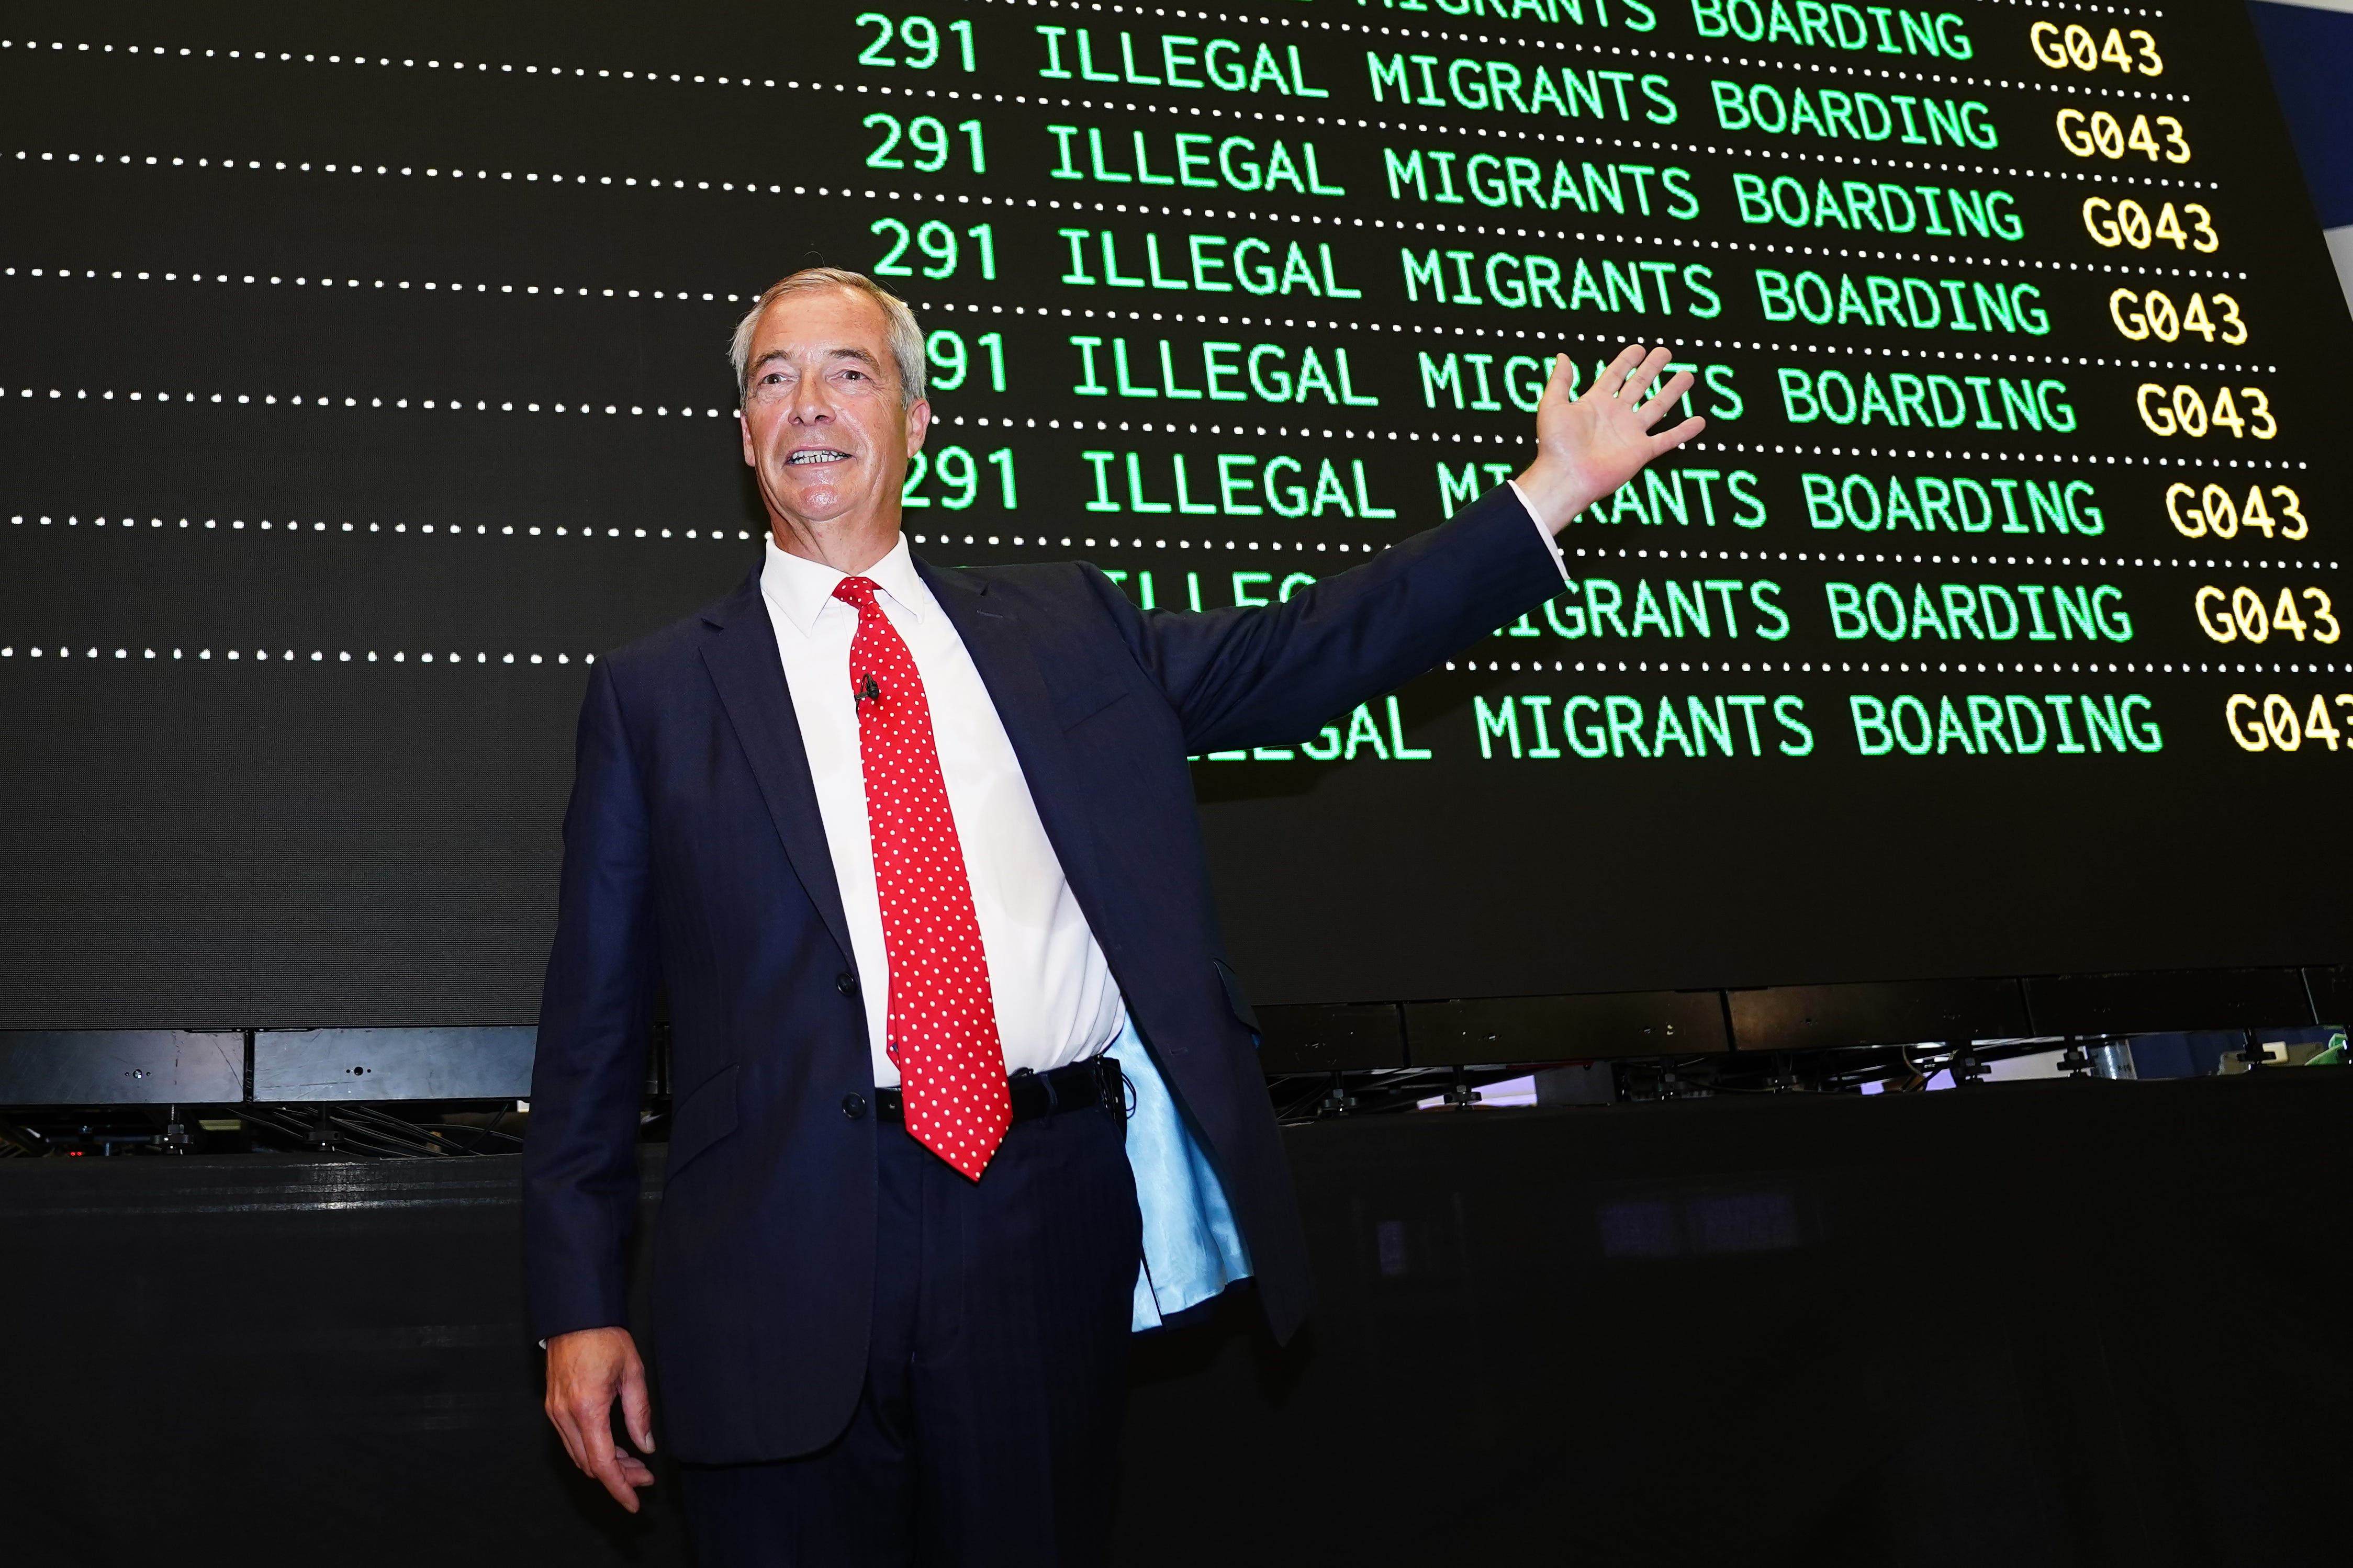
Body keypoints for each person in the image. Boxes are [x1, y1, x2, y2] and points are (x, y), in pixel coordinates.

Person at [522, 266, 1700, 1565]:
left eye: (851, 372)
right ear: (744, 431)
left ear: (916, 421)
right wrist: (575, 1300)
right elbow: (594, 1024)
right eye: (774, 378)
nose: (811, 404)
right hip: (770, 1248)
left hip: (1038, 1213)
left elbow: (1304, 651)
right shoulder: (650, 694)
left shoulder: (1065, 627)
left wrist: (1548, 494)